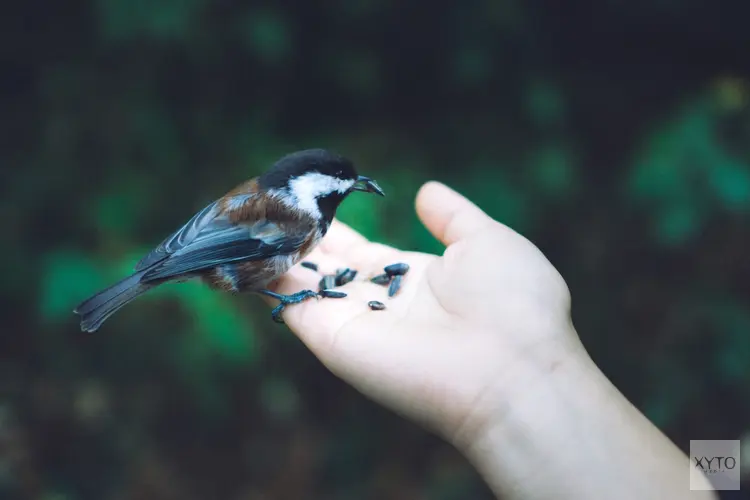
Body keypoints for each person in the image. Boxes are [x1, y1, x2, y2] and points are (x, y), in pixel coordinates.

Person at [267, 181, 717, 499]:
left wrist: (525, 379)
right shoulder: (724, 463)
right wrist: (528, 380)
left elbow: (712, 476)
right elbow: (705, 480)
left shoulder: (725, 459)